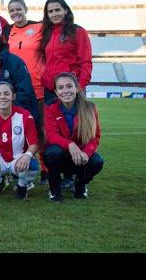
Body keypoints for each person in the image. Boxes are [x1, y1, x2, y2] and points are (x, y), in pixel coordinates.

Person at [3, 0, 48, 183]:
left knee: (42, 130)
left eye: (18, 9)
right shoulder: (8, 32)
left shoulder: (40, 27)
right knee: (20, 131)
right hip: (18, 90)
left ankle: (46, 168)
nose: (15, 13)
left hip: (39, 88)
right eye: (12, 10)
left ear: (25, 9)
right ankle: (18, 166)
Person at [0, 81, 40, 200]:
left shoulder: (25, 116)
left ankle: (22, 186)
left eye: (6, 93)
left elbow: (34, 144)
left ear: (13, 96)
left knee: (33, 165)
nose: (2, 97)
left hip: (18, 157)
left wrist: (28, 155)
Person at [44, 72, 104, 202]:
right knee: (52, 153)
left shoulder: (90, 108)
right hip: (61, 157)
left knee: (97, 161)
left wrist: (86, 154)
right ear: (55, 91)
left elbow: (95, 137)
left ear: (76, 88)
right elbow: (51, 135)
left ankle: (80, 185)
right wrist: (70, 145)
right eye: (60, 87)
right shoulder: (51, 108)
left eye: (69, 86)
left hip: (80, 158)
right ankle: (54, 190)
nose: (65, 91)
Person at [39, 0, 92, 106]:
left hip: (70, 88)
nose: (54, 14)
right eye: (50, 11)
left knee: (74, 122)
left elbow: (86, 61)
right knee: (52, 122)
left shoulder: (78, 31)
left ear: (66, 10)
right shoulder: (46, 34)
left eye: (57, 10)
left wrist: (80, 87)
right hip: (50, 89)